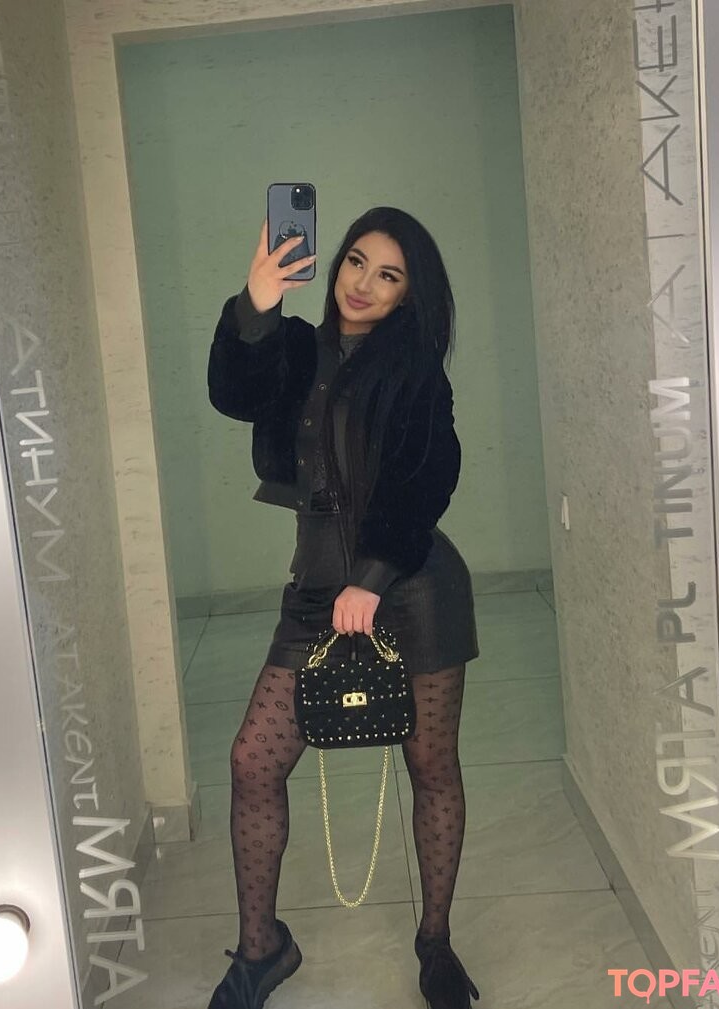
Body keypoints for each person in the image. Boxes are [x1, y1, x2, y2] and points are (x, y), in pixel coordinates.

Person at [206, 207, 480, 1009]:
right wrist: (257, 303)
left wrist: (374, 573)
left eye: (388, 275)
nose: (362, 284)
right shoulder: (295, 348)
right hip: (318, 587)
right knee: (253, 760)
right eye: (356, 261)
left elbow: (428, 475)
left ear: (408, 294)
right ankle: (262, 948)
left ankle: (435, 943)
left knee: (431, 764)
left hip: (414, 585)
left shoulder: (415, 369)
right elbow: (233, 394)